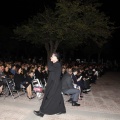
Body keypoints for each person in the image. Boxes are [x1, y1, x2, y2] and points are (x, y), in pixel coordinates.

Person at [34, 52, 66, 117]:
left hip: (55, 84)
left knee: (48, 97)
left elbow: (50, 68)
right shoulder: (55, 64)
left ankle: (42, 112)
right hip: (53, 83)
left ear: (56, 58)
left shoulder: (57, 64)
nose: (51, 57)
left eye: (52, 56)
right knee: (58, 97)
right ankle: (62, 110)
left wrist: (49, 60)